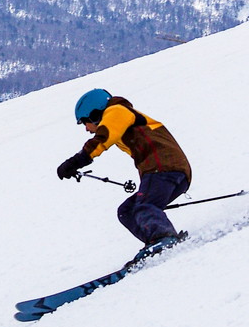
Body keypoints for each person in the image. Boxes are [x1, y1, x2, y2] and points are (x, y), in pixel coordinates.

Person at [56, 87, 192, 246]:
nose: (86, 129)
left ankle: (163, 239)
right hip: (171, 172)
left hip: (164, 169)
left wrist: (74, 162)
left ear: (94, 114)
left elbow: (102, 140)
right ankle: (156, 242)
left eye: (85, 122)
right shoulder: (121, 119)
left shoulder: (116, 111)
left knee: (144, 206)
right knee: (127, 211)